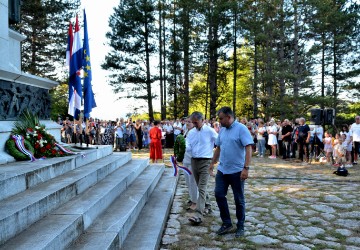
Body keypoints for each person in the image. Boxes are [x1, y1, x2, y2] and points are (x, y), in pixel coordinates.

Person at [209, 106, 253, 238]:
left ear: (229, 117)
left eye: (221, 118)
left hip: (237, 171)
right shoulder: (222, 130)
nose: (220, 121)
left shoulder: (241, 129)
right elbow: (218, 148)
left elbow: (249, 147)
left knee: (239, 199)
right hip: (222, 170)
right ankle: (227, 223)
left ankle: (240, 225)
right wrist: (212, 163)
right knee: (219, 194)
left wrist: (246, 168)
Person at [186, 111, 218, 225]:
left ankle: (199, 214)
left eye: (196, 122)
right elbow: (188, 144)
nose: (194, 124)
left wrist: (215, 161)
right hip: (194, 161)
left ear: (202, 120)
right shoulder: (191, 133)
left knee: (202, 187)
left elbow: (219, 142)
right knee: (200, 186)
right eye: (193, 122)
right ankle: (208, 205)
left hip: (206, 161)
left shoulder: (210, 131)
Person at [182, 118, 198, 211]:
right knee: (188, 181)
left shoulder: (196, 133)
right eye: (186, 122)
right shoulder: (186, 131)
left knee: (193, 182)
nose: (187, 123)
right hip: (185, 159)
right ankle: (192, 199)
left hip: (193, 159)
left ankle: (196, 202)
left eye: (189, 122)